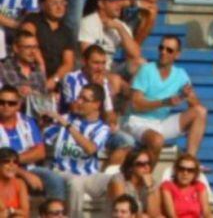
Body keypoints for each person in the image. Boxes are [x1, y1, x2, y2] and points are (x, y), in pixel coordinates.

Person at [125, 35, 207, 162]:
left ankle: (190, 161)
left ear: (177, 55)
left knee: (201, 112)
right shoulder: (147, 70)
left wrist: (186, 96)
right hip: (137, 121)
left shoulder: (180, 74)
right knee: (157, 140)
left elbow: (195, 104)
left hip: (160, 122)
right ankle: (147, 177)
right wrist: (164, 102)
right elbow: (136, 104)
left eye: (169, 50)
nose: (163, 52)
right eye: (161, 48)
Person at [42, 83, 111, 217]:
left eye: (84, 99)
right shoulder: (66, 118)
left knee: (117, 179)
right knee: (76, 182)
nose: (78, 102)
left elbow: (90, 149)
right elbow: (44, 138)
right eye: (79, 97)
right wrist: (43, 123)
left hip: (90, 175)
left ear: (96, 104)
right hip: (63, 171)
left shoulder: (102, 128)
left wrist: (68, 126)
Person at [20, 0, 76, 93]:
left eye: (62, 3)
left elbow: (68, 63)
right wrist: (41, 64)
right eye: (54, 3)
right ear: (43, 5)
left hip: (56, 79)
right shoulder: (32, 19)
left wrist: (54, 80)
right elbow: (27, 39)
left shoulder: (66, 31)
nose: (59, 7)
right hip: (32, 73)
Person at [107, 148, 161, 217]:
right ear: (131, 167)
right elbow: (122, 208)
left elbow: (155, 214)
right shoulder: (119, 179)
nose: (146, 167)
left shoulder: (151, 183)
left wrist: (149, 188)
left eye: (148, 163)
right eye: (141, 164)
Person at [159, 152, 211, 218]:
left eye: (190, 170)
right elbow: (171, 215)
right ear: (176, 170)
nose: (185, 173)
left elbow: (206, 212)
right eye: (181, 169)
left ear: (195, 173)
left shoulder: (199, 187)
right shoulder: (167, 186)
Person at [0, 148, 27, 218]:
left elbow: (25, 212)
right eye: (6, 161)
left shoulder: (20, 183)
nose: (11, 165)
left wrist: (10, 211)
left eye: (15, 162)